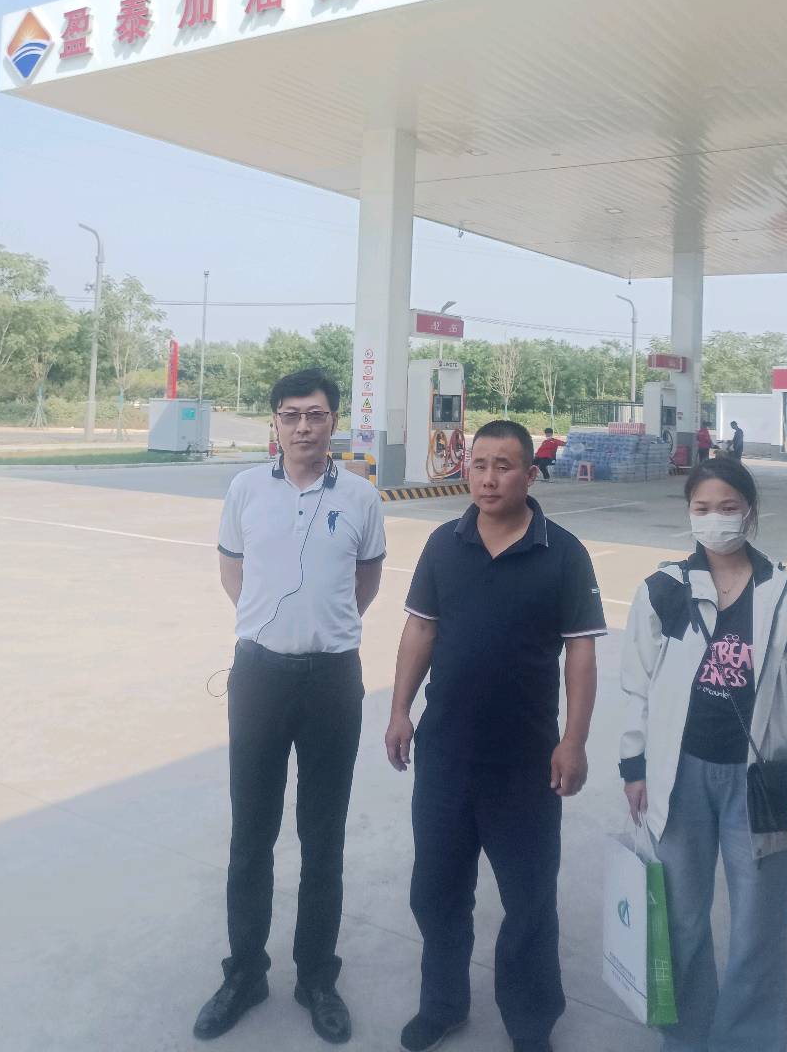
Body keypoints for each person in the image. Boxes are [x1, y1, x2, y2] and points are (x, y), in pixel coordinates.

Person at [385, 419, 607, 1052]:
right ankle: (443, 1005)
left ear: (530, 475)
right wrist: (400, 711)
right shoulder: (443, 544)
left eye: (503, 466)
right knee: (436, 893)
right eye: (478, 464)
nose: (487, 478)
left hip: (525, 763)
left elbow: (581, 653)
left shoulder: (562, 553)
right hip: (446, 754)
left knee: (530, 903)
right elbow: (420, 630)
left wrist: (574, 740)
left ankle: (531, 1024)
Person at [618, 458, 787, 1052]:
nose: (714, 519)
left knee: (758, 927)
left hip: (759, 784)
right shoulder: (663, 590)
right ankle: (686, 1037)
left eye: (727, 508)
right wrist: (635, 765)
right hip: (680, 775)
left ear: (750, 512)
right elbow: (637, 685)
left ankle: (748, 1039)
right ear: (688, 513)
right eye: (701, 508)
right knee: (681, 918)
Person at [194, 369, 386, 1045]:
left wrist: (321, 630)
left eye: (316, 415)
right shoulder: (246, 489)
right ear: (274, 422)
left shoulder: (361, 496)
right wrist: (270, 628)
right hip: (259, 677)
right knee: (251, 835)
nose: (304, 427)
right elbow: (233, 571)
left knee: (323, 837)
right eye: (291, 415)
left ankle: (316, 977)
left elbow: (365, 582)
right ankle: (245, 973)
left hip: (333, 679)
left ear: (335, 422)